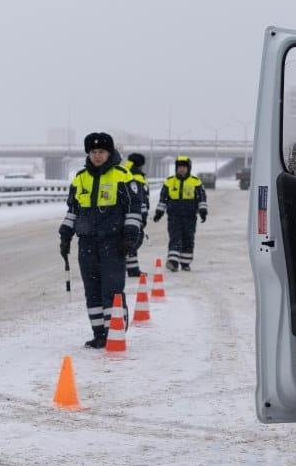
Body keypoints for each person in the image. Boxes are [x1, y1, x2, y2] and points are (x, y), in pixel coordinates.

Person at [58, 132, 142, 348]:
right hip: (87, 243)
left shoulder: (122, 176)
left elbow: (133, 209)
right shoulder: (80, 178)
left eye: (101, 152)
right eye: (93, 152)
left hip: (113, 243)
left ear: (109, 153)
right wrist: (65, 235)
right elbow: (73, 210)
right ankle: (99, 334)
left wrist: (130, 235)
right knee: (92, 290)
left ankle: (115, 331)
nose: (97, 155)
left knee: (111, 289)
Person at [152, 155, 207, 272]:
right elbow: (163, 199)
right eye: (179, 167)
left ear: (189, 168)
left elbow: (202, 198)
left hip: (190, 216)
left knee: (188, 238)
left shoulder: (196, 182)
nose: (181, 169)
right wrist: (159, 212)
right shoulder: (169, 181)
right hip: (174, 216)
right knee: (175, 238)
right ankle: (173, 262)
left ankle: (185, 263)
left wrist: (203, 211)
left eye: (184, 167)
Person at [123, 152, 151, 277]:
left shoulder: (123, 172)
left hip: (122, 214)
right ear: (140, 165)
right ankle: (126, 267)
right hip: (135, 215)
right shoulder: (138, 178)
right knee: (134, 240)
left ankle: (132, 268)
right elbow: (141, 201)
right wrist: (143, 217)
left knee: (129, 240)